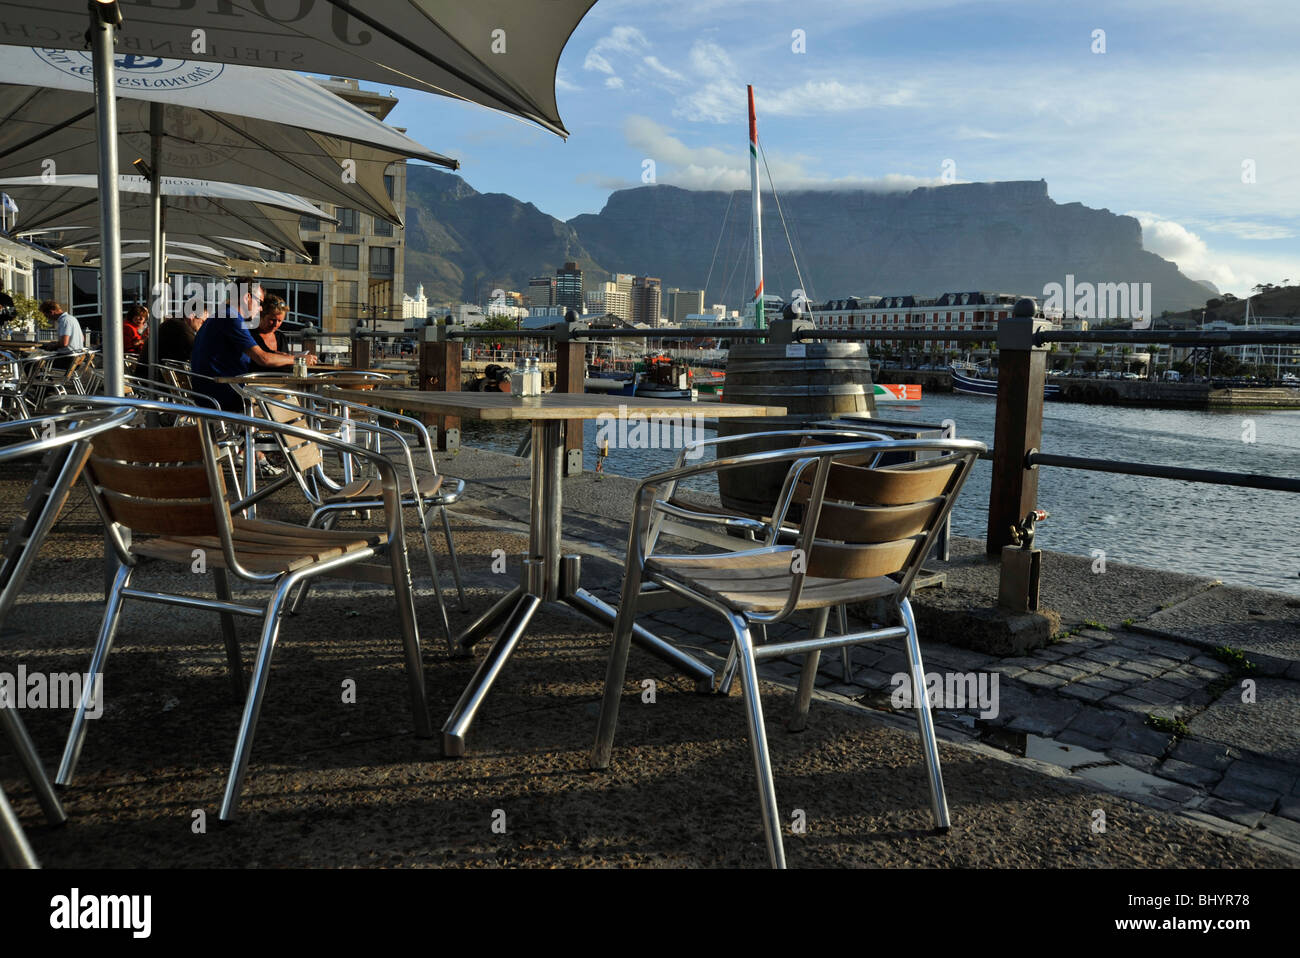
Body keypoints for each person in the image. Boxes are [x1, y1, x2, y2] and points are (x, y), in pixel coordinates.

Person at [191, 277, 317, 413]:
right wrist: (298, 360)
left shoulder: (221, 315)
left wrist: (280, 356)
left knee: (285, 401)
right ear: (247, 297)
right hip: (226, 397)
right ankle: (299, 430)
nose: (261, 307)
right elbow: (263, 359)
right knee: (290, 403)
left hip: (208, 393)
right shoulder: (232, 319)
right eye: (260, 302)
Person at [38, 300, 84, 370]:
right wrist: (56, 343)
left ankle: (42, 379)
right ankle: (44, 377)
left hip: (67, 359)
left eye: (46, 315)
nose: (47, 318)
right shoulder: (72, 318)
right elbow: (82, 338)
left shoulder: (64, 321)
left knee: (32, 363)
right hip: (77, 357)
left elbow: (64, 343)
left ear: (51, 312)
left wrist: (53, 346)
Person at [249, 295, 291, 369]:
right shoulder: (250, 334)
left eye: (279, 321)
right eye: (272, 320)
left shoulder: (281, 337)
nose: (276, 324)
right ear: (261, 316)